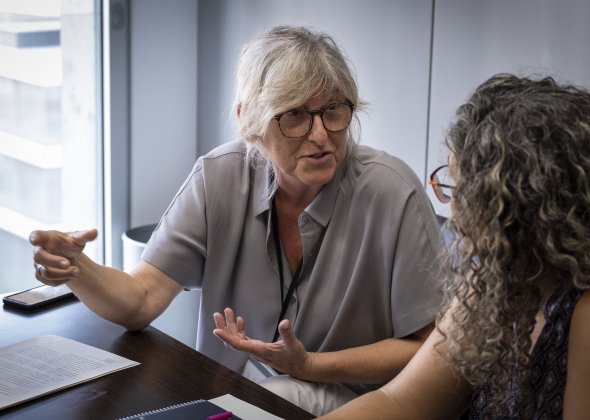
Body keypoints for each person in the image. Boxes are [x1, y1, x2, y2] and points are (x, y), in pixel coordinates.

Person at [29, 25, 444, 416]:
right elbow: (141, 301)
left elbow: (433, 352)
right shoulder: (219, 176)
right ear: (250, 119)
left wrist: (311, 365)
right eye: (295, 115)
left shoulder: (394, 192)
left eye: (333, 111)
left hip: (366, 406)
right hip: (232, 398)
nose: (320, 134)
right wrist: (76, 269)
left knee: (275, 393)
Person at [321, 74, 590, 419]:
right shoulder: (489, 284)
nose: (454, 211)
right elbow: (400, 402)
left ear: (523, 204)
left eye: (463, 190)